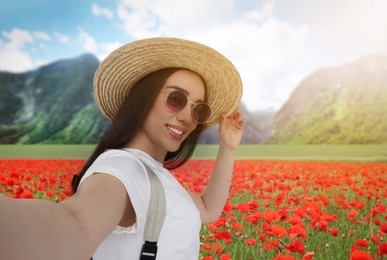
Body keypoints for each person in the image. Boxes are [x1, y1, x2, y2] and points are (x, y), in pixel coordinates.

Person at [0, 37, 245, 260]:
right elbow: (76, 224)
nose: (186, 118)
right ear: (143, 99)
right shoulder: (121, 168)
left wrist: (228, 148)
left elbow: (208, 210)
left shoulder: (155, 174)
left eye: (197, 109)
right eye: (175, 99)